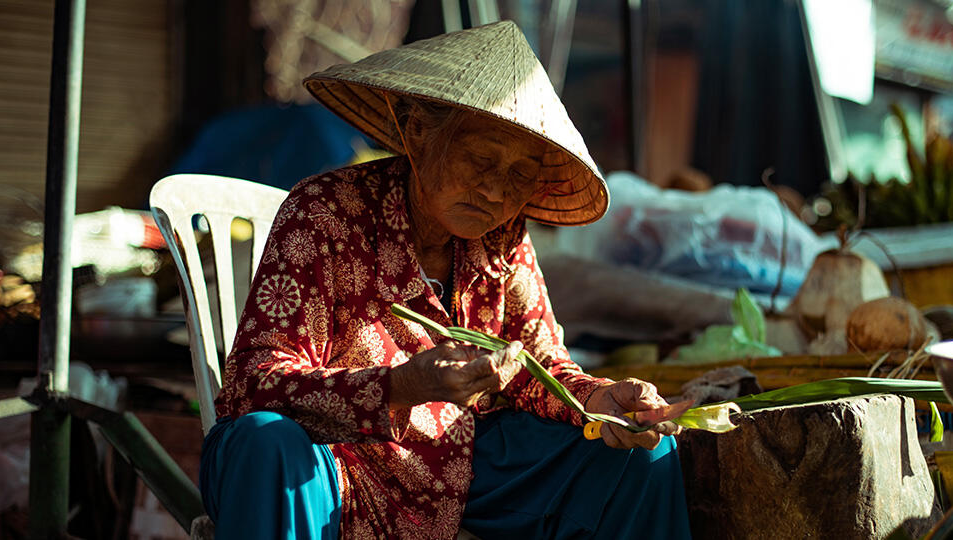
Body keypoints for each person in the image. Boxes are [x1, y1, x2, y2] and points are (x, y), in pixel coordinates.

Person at [199, 21, 690, 539]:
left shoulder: (504, 235)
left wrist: (597, 399)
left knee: (644, 455)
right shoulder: (325, 214)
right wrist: (404, 386)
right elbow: (256, 381)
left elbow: (538, 365)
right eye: (481, 160)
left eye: (520, 175)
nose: (498, 193)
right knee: (265, 441)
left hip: (459, 461)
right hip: (340, 464)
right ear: (416, 131)